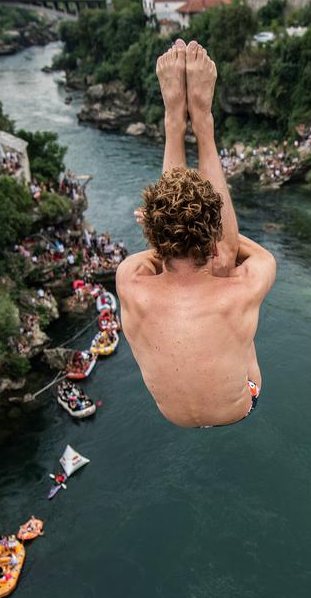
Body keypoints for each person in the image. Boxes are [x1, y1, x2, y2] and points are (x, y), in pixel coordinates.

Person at [118, 41, 276, 428]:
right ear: (212, 236)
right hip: (242, 403)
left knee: (206, 258)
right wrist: (215, 241)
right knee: (225, 265)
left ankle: (175, 118)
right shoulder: (244, 285)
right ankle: (203, 123)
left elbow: (167, 245)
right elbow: (239, 251)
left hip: (169, 413)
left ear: (153, 235)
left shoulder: (128, 279)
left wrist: (163, 224)